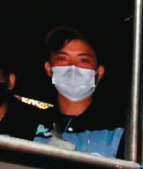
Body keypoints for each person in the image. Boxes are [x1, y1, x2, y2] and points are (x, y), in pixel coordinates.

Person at [38, 26, 125, 158]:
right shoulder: (33, 123)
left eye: (83, 60)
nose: (72, 67)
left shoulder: (118, 130)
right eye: (63, 58)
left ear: (99, 72)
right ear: (49, 68)